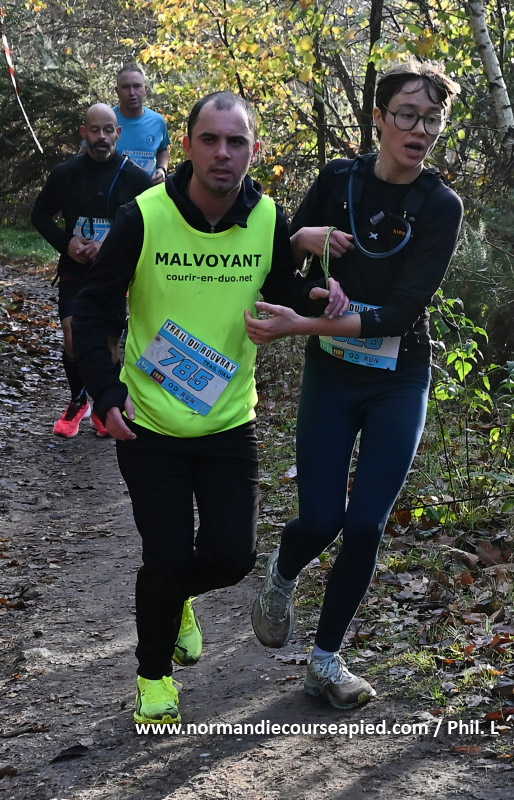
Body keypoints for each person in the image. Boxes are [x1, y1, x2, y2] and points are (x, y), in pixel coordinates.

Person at [71, 91, 345, 726]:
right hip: (149, 424)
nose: (224, 153)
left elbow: (279, 289)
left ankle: (176, 598)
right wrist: (106, 394)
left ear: (255, 150)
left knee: (232, 558)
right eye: (211, 139)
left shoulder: (268, 218)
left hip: (229, 422)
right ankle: (153, 678)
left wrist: (317, 293)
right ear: (188, 146)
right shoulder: (144, 215)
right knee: (167, 557)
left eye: (237, 141)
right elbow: (94, 309)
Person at [248, 59, 463, 710]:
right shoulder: (338, 181)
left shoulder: (441, 206)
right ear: (378, 118)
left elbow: (400, 313)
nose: (419, 130)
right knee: (321, 519)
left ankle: (325, 660)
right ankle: (284, 570)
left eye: (432, 119)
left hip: (400, 376)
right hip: (334, 376)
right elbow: (278, 274)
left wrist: (305, 324)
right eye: (407, 115)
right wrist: (300, 241)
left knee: (366, 524)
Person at [31, 103, 153, 439]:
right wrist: (67, 243)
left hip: (114, 275)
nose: (102, 137)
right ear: (84, 133)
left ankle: (105, 406)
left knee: (110, 345)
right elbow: (40, 215)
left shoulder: (136, 178)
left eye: (108, 130)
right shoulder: (66, 173)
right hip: (75, 269)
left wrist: (111, 247)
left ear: (118, 133)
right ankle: (78, 400)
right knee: (73, 336)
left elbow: (153, 225)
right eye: (95, 130)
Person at [114, 64, 171, 184]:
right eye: (125, 87)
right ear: (117, 91)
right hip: (113, 191)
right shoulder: (107, 119)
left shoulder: (157, 121)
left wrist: (162, 169)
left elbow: (163, 150)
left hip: (148, 190)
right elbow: (86, 152)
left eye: (136, 86)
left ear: (145, 89)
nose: (131, 92)